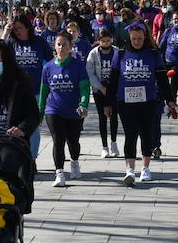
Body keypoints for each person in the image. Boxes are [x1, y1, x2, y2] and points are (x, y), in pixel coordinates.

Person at [107, 22, 175, 186]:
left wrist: (170, 99)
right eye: (134, 38)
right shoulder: (121, 53)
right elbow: (113, 79)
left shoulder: (153, 53)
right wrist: (108, 103)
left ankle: (145, 168)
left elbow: (162, 78)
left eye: (139, 38)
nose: (136, 41)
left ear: (145, 37)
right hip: (126, 102)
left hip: (148, 101)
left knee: (146, 134)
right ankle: (130, 170)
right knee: (130, 135)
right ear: (129, 37)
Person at [39, 29, 91, 187]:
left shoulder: (78, 66)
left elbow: (84, 88)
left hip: (74, 110)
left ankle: (74, 162)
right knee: (58, 140)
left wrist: (83, 104)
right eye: (58, 44)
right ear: (54, 46)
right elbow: (43, 91)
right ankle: (59, 173)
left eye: (65, 45)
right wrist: (40, 112)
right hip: (53, 109)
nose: (61, 47)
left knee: (73, 142)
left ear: (70, 47)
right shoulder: (48, 67)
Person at [8, 16, 48, 157]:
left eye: (20, 28)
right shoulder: (11, 42)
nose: (17, 31)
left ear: (27, 27)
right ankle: (20, 157)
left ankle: (32, 158)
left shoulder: (39, 42)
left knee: (34, 126)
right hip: (16, 92)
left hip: (36, 90)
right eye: (15, 28)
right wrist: (6, 32)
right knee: (16, 126)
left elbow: (50, 62)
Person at [86, 27, 120, 158]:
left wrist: (113, 88)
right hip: (99, 90)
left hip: (114, 90)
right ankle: (104, 146)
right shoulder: (93, 54)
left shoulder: (117, 52)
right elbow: (90, 72)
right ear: (99, 41)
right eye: (103, 41)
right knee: (102, 118)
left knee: (114, 117)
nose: (106, 43)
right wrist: (100, 87)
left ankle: (114, 143)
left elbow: (121, 70)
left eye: (108, 40)